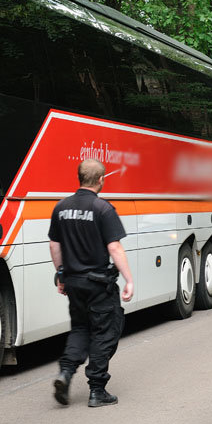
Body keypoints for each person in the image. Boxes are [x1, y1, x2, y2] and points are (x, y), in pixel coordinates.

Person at [48, 159, 135, 408]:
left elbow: (54, 245)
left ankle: (65, 373)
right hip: (99, 284)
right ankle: (97, 391)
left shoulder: (61, 207)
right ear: (100, 180)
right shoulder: (103, 209)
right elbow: (114, 247)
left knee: (80, 329)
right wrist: (128, 279)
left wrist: (61, 274)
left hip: (73, 283)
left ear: (79, 177)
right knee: (104, 333)